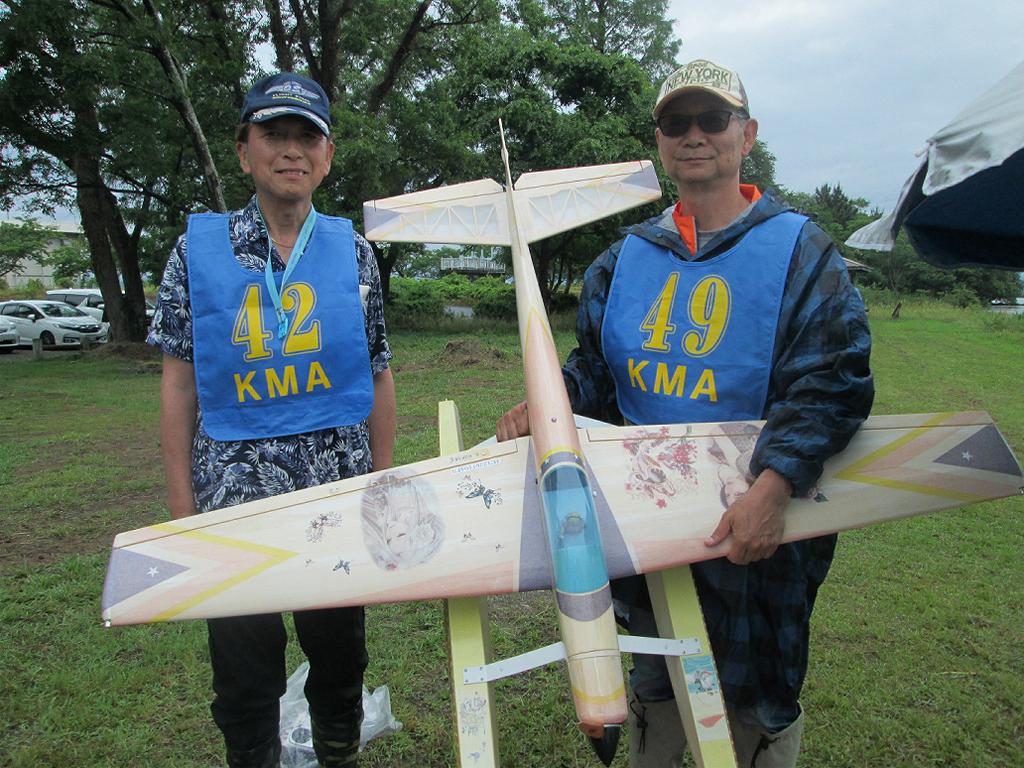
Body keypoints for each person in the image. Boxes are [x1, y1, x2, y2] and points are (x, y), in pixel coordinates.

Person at [496, 58, 873, 767]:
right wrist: (554, 404)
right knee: (658, 669)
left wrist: (774, 487)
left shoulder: (801, 250)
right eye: (676, 122)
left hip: (756, 526)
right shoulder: (623, 259)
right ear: (660, 142)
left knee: (757, 689)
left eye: (713, 119)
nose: (694, 134)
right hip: (648, 519)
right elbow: (597, 372)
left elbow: (833, 381)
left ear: (746, 135)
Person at [148, 72, 396, 768]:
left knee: (339, 660)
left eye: (307, 137)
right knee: (244, 676)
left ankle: (338, 752)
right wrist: (183, 511)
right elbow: (178, 384)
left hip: (337, 499)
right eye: (274, 135)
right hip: (236, 506)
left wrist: (380, 486)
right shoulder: (196, 253)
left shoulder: (354, 254)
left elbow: (378, 373)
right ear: (243, 152)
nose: (291, 150)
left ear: (328, 156)